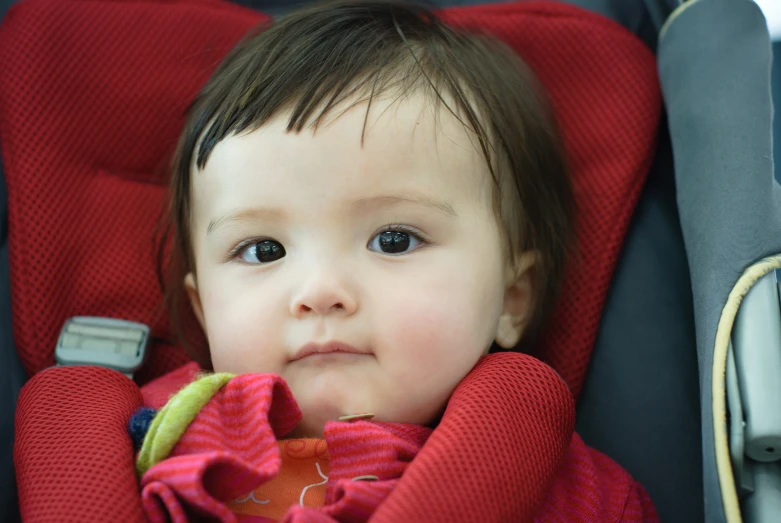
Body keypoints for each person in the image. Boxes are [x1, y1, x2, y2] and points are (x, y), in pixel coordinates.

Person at [132, 1, 658, 521]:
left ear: (514, 296)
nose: (319, 290)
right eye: (263, 250)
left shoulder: (580, 499)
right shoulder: (147, 434)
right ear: (204, 309)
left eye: (394, 240)